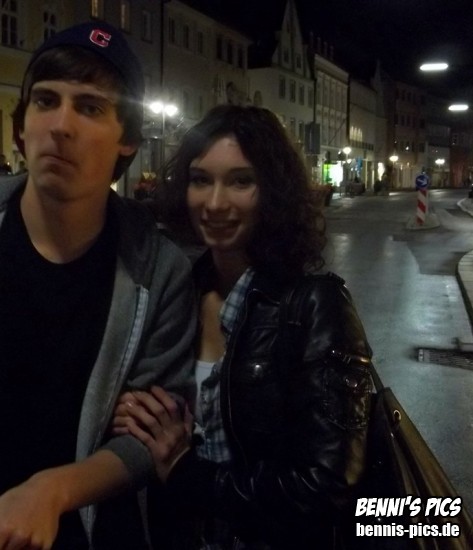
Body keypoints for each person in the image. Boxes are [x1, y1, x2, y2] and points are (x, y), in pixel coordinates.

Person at [113, 105, 374, 549]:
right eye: (201, 180)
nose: (215, 203)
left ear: (273, 191)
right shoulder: (179, 291)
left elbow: (325, 487)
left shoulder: (313, 305)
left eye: (240, 181)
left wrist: (189, 474)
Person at [0, 20, 195, 550]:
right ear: (21, 126)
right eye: (46, 101)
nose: (61, 125)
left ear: (127, 140)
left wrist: (52, 491)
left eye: (89, 108)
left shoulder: (158, 270)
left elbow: (150, 438)